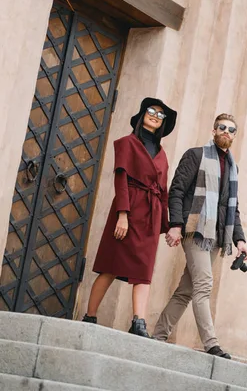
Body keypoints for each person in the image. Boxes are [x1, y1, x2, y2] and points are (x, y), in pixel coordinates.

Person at [151, 113, 247, 359]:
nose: (226, 131)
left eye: (231, 129)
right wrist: (175, 224)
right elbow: (176, 191)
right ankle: (211, 344)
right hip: (194, 230)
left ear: (234, 136)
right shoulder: (195, 155)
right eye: (222, 127)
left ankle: (158, 336)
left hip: (216, 237)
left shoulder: (233, 167)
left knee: (186, 290)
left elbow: (231, 207)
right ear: (214, 130)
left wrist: (240, 240)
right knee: (204, 285)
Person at [81, 97, 177, 338]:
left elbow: (163, 189)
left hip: (151, 216)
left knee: (143, 271)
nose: (155, 115)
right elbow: (120, 179)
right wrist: (122, 215)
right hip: (129, 208)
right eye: (151, 111)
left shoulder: (162, 154)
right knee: (111, 266)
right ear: (143, 113)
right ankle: (90, 315)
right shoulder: (126, 143)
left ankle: (139, 322)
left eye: (160, 114)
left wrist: (163, 225)